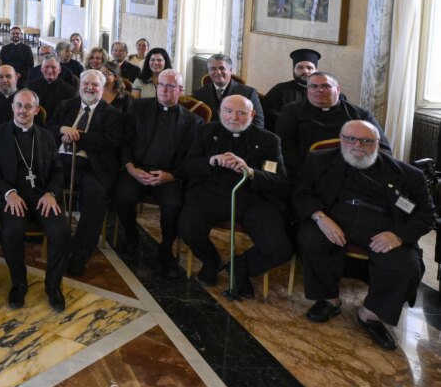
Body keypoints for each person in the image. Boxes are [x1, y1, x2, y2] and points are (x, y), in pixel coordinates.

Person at [295, 120, 436, 351]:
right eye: (350, 139)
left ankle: (371, 314)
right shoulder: (319, 161)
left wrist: (398, 236)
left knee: (406, 264)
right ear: (341, 139)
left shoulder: (408, 175)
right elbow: (300, 193)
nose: (357, 145)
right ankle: (329, 299)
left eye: (366, 141)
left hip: (383, 229)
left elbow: (427, 214)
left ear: (377, 143)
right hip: (333, 220)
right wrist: (320, 217)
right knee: (310, 238)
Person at [178, 95, 291, 296]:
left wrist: (251, 172)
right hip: (210, 194)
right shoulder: (205, 132)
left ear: (252, 114)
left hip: (253, 200)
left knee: (279, 249)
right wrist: (211, 160)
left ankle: (240, 268)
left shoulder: (269, 140)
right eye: (228, 111)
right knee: (187, 229)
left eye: (241, 113)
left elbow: (279, 181)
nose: (234, 118)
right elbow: (188, 165)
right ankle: (211, 261)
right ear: (220, 112)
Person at [0, 89, 69, 311]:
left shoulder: (47, 136)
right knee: (11, 231)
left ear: (36, 110)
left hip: (42, 195)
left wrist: (51, 193)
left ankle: (53, 286)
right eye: (19, 105)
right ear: (12, 107)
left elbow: (57, 171)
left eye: (28, 106)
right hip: (11, 196)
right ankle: (19, 284)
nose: (23, 110)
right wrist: (8, 193)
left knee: (60, 229)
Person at [112, 69, 200, 275]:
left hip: (168, 176)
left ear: (180, 90)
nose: (164, 89)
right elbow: (125, 142)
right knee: (121, 197)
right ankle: (132, 237)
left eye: (170, 86)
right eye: (161, 85)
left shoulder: (193, 122)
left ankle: (165, 249)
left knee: (174, 205)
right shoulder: (138, 107)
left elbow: (191, 159)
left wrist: (171, 176)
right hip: (138, 169)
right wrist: (131, 168)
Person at [49, 70, 124, 276]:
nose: (90, 88)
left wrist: (78, 136)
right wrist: (63, 129)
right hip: (60, 162)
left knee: (96, 195)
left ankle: (80, 254)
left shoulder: (112, 114)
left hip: (91, 166)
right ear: (79, 86)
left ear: (102, 88)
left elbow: (110, 142)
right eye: (86, 84)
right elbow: (48, 128)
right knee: (39, 184)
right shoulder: (65, 106)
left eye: (95, 85)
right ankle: (47, 238)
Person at [276, 71, 387, 177]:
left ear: (338, 89)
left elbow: (383, 148)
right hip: (308, 173)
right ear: (308, 90)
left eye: (325, 86)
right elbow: (285, 149)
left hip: (352, 174)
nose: (319, 90)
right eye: (313, 86)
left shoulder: (359, 115)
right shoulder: (291, 112)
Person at [192, 54, 264, 129]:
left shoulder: (249, 93)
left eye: (222, 68)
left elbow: (258, 123)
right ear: (209, 71)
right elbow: (195, 123)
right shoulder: (199, 94)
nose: (218, 72)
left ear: (230, 70)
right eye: (213, 69)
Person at [261, 48, 320, 131]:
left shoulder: (324, 91)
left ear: (316, 71)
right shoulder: (280, 89)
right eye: (300, 68)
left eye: (309, 68)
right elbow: (269, 115)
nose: (305, 71)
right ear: (293, 70)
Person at [0, 65, 28, 130]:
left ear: (16, 78)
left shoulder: (27, 100)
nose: (4, 80)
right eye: (0, 77)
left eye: (8, 76)